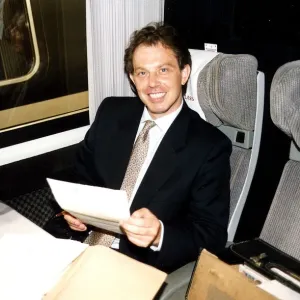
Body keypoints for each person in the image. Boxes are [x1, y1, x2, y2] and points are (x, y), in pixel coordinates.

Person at [64, 22, 231, 273]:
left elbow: (212, 235)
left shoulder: (209, 147)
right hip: (74, 245)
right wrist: (72, 211)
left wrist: (159, 235)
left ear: (184, 73)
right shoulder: (111, 112)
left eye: (163, 70)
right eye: (142, 73)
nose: (152, 83)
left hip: (135, 265)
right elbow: (79, 175)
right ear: (132, 78)